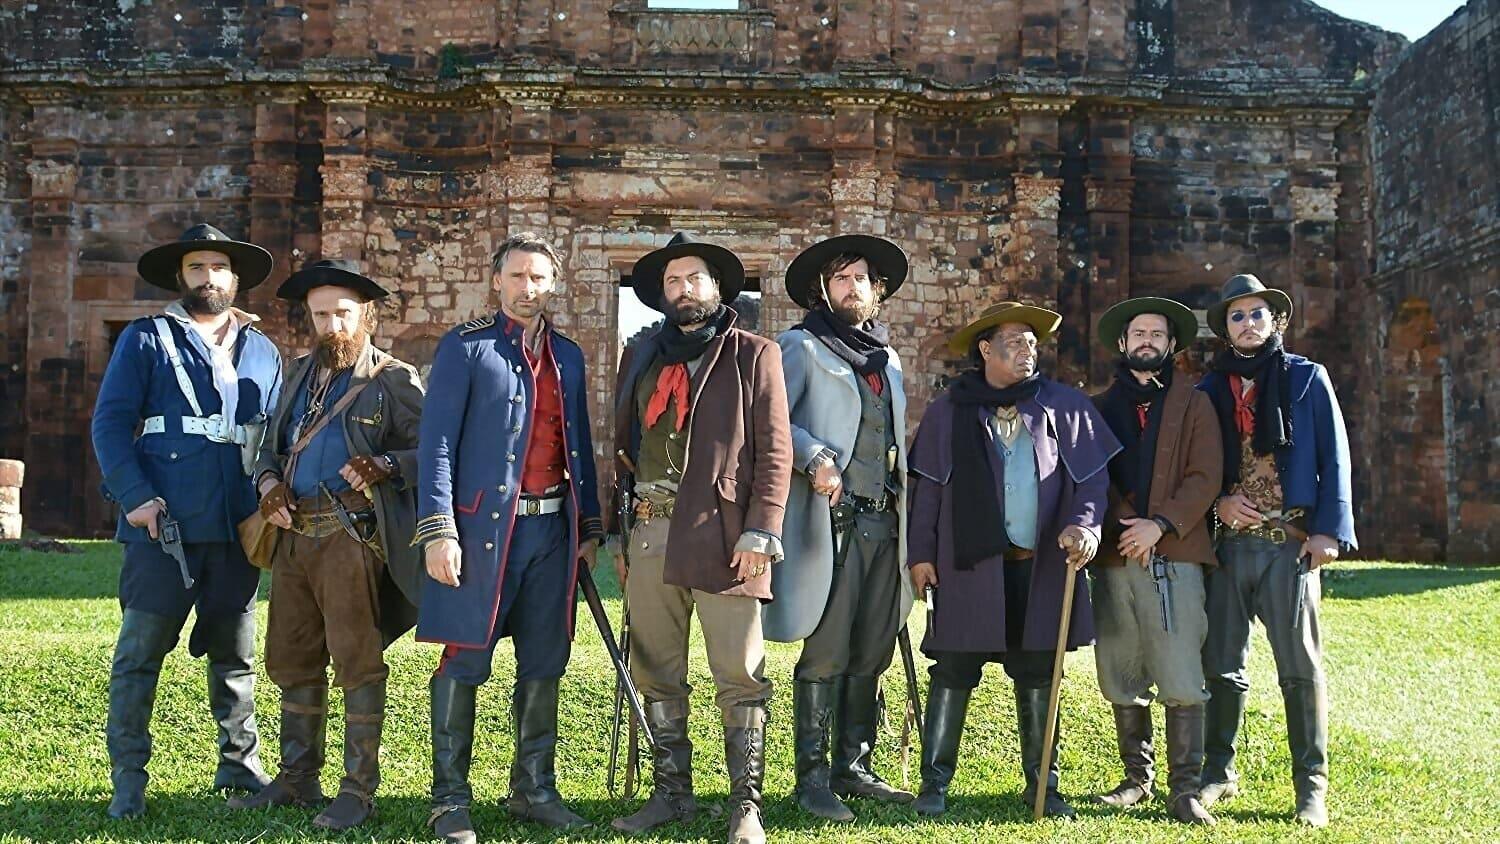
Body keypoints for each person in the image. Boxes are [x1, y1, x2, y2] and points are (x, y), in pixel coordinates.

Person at [414, 233, 604, 843]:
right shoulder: (465, 349)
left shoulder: (569, 357)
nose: (528, 289)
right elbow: (437, 444)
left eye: (539, 278)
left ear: (554, 285)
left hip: (553, 530)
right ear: (497, 281)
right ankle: (449, 801)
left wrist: (590, 527)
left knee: (546, 658)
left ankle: (534, 790)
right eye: (517, 277)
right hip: (480, 532)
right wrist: (440, 529)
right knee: (465, 657)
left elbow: (582, 445)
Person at [91, 223, 284, 818]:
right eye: (196, 268)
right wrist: (135, 496)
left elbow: (274, 435)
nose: (208, 279)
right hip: (161, 524)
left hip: (235, 526)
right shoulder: (146, 339)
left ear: (234, 278)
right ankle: (128, 778)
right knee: (140, 652)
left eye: (217, 268)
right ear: (182, 277)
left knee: (236, 652)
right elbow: (109, 424)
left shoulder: (264, 348)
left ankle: (239, 762)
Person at [607, 232, 792, 844]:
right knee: (656, 667)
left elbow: (775, 451)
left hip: (727, 534)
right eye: (671, 282)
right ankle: (672, 796)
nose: (681, 290)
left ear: (717, 286)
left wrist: (764, 528)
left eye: (692, 278)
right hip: (652, 529)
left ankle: (746, 806)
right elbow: (625, 445)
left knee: (739, 673)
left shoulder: (754, 353)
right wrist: (618, 531)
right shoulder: (641, 355)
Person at [229, 259, 424, 829]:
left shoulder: (394, 378)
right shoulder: (294, 375)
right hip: (293, 536)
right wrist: (267, 485)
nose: (332, 325)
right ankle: (296, 780)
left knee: (358, 663)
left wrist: (386, 463)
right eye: (321, 315)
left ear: (365, 313)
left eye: (342, 313)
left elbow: (435, 453)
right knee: (292, 658)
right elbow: (268, 448)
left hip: (350, 537)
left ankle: (358, 791)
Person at [906, 302, 1120, 819]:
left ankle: (1043, 783)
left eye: (1032, 341)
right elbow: (928, 489)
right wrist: (920, 555)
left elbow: (1091, 481)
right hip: (966, 565)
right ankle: (934, 784)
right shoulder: (949, 410)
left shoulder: (1065, 406)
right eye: (1015, 341)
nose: (1028, 349)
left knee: (1039, 671)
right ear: (985, 350)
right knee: (954, 667)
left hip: (1040, 563)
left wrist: (1086, 525)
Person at [1196, 274, 1356, 828]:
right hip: (1230, 546)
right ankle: (1219, 771)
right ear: (1225, 330)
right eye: (1237, 316)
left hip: (1289, 544)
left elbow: (1335, 458)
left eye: (1257, 314)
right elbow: (1197, 468)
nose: (1248, 324)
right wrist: (1218, 502)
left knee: (1300, 669)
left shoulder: (1308, 379)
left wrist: (1328, 530)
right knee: (1221, 667)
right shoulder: (1207, 390)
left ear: (1276, 322)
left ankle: (1311, 786)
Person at [766, 235, 916, 821]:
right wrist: (813, 456)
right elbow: (771, 420)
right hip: (832, 522)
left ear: (876, 292)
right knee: (826, 651)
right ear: (822, 291)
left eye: (860, 279)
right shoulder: (800, 347)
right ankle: (811, 779)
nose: (851, 288)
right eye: (840, 279)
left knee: (872, 647)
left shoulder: (889, 359)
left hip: (886, 521)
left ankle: (851, 767)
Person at [1088, 296, 1222, 825]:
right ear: (1123, 343)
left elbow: (1205, 475)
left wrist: (1160, 525)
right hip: (1118, 555)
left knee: (1180, 668)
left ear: (1171, 345)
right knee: (1122, 666)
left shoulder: (1195, 404)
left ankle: (1184, 789)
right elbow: (1092, 475)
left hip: (1177, 552)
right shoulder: (1096, 408)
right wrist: (1128, 527)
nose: (1147, 341)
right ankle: (1136, 779)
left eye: (1157, 334)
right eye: (1138, 333)